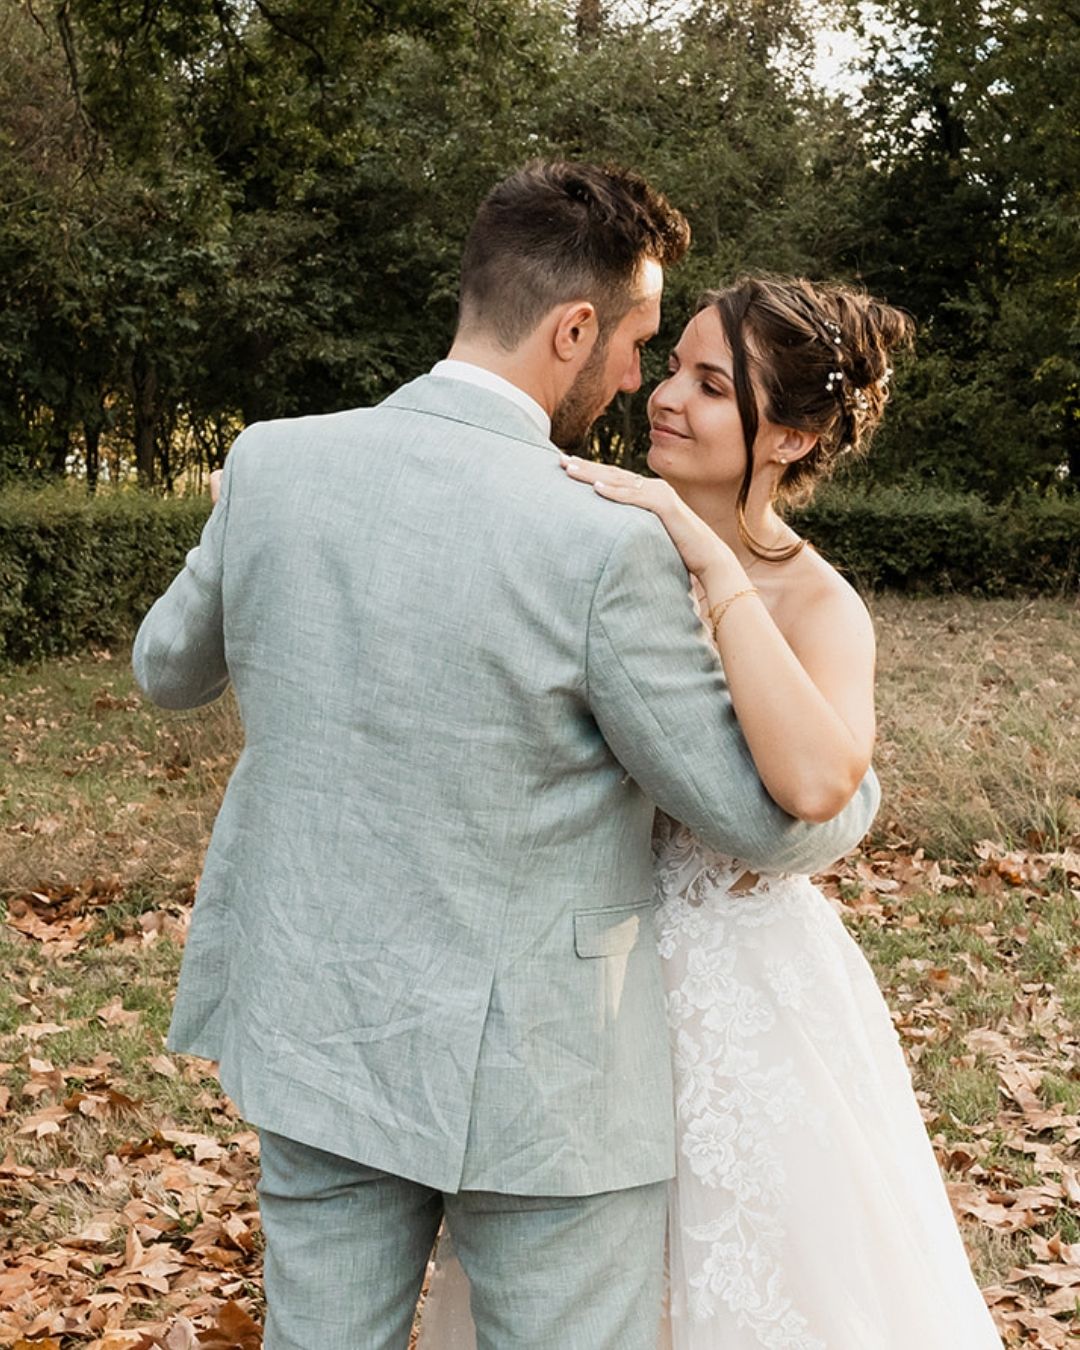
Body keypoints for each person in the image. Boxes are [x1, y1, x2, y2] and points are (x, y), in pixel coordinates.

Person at [132, 166, 880, 1350]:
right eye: (640, 343)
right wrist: (857, 793)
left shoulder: (272, 463)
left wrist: (239, 517)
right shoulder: (601, 540)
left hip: (317, 1028)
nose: (638, 381)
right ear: (574, 329)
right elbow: (759, 818)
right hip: (541, 1079)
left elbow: (163, 672)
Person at [553, 278, 1001, 1347]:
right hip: (585, 973)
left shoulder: (818, 603)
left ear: (791, 437)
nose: (667, 398)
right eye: (674, 369)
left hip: (744, 995)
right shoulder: (596, 531)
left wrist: (707, 550)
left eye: (711, 386)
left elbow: (814, 784)